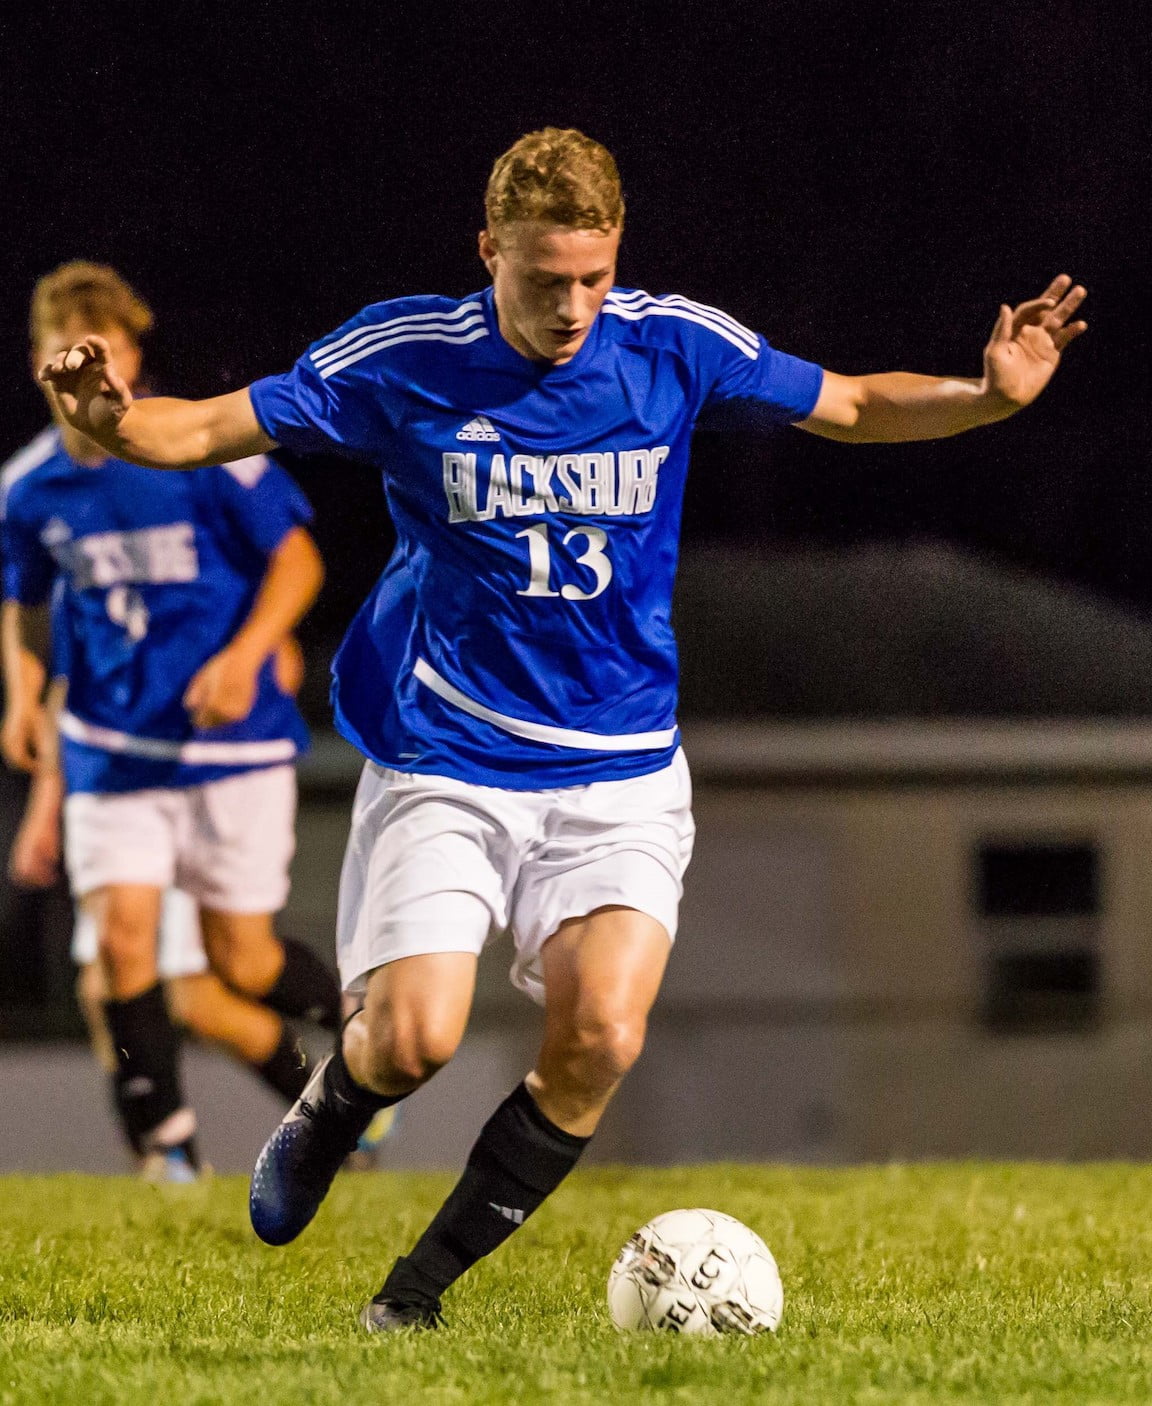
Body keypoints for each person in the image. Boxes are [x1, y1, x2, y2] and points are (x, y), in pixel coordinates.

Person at [36, 130, 1086, 1326]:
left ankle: (411, 1300)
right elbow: (208, 426)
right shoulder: (407, 356)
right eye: (544, 279)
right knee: (413, 1040)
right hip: (450, 760)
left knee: (602, 1032)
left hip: (621, 772)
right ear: (489, 252)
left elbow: (847, 403)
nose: (574, 305)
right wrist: (114, 423)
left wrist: (987, 397)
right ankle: (337, 1095)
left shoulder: (673, 343)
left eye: (593, 275)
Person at [3, 261, 340, 1179]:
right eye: (62, 356)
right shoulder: (28, 489)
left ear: (133, 361)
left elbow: (299, 564)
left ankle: (363, 1035)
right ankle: (168, 1156)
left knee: (239, 960)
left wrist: (244, 654)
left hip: (231, 746)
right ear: (36, 361)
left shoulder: (195, 450)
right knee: (119, 950)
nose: (83, 377)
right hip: (111, 747)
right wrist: (22, 696)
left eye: (99, 356)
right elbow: (26, 604)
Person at [7, 636, 327, 1179]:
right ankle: (162, 1148)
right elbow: (71, 684)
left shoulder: (205, 571)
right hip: (119, 788)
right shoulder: (88, 569)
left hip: (190, 781)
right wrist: (47, 801)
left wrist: (250, 661)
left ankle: (335, 1092)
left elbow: (283, 638)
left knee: (200, 994)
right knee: (104, 977)